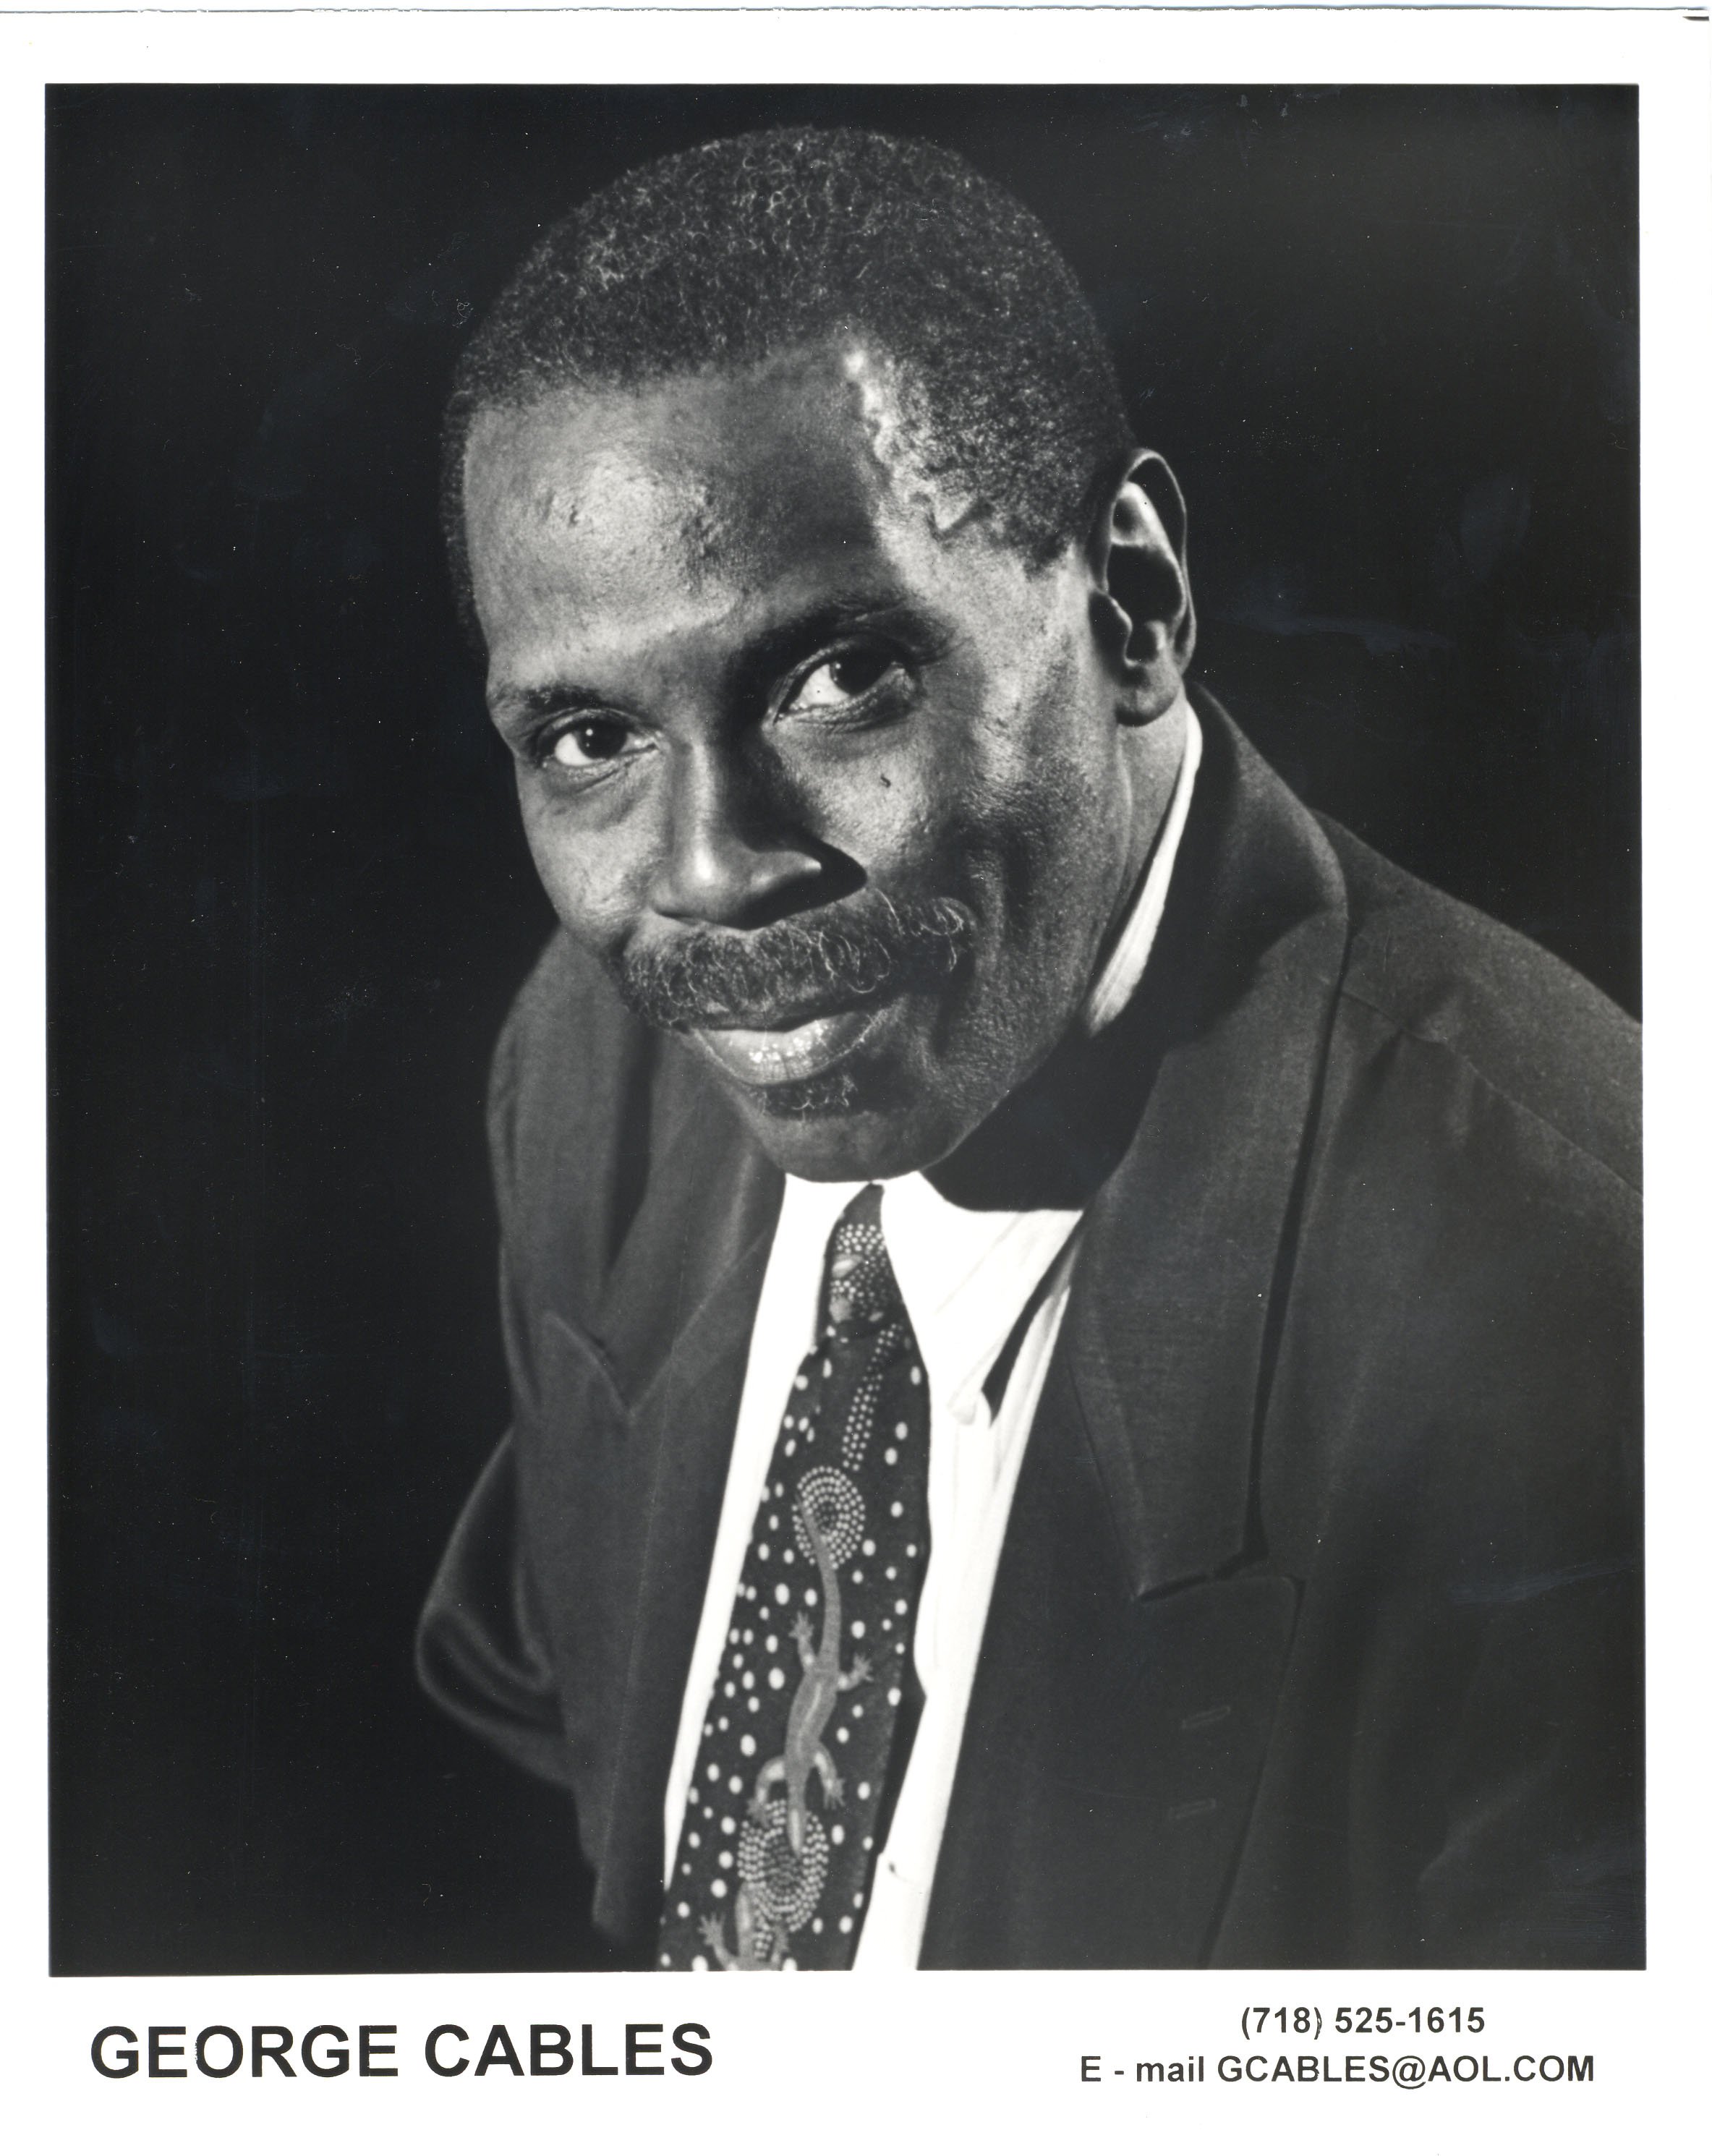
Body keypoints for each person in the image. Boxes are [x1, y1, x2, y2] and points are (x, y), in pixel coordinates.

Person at [417, 127, 1640, 1970]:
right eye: (589, 739)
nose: (708, 874)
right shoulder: (594, 1074)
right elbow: (562, 1728)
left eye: (840, 677)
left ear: (1128, 603)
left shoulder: (1579, 1307)